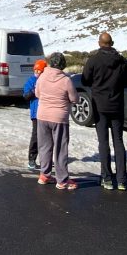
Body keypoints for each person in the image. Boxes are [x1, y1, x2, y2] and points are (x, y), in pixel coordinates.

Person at [82, 32, 127, 191]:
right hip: (117, 105)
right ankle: (121, 180)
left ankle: (106, 178)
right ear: (112, 43)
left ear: (100, 43)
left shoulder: (94, 60)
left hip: (100, 106)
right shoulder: (121, 61)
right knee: (118, 141)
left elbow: (85, 80)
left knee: (103, 142)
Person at [35, 52, 78, 190]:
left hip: (42, 115)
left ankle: (44, 174)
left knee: (44, 147)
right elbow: (74, 98)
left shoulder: (42, 77)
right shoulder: (66, 80)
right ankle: (62, 180)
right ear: (62, 65)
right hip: (59, 117)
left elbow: (37, 94)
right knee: (60, 149)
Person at [22, 59, 48, 170]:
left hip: (47, 112)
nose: (37, 73)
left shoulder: (47, 81)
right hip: (36, 113)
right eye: (36, 70)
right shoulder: (31, 81)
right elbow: (26, 95)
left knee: (47, 137)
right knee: (36, 136)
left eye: (40, 71)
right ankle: (31, 159)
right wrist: (34, 91)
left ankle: (46, 159)